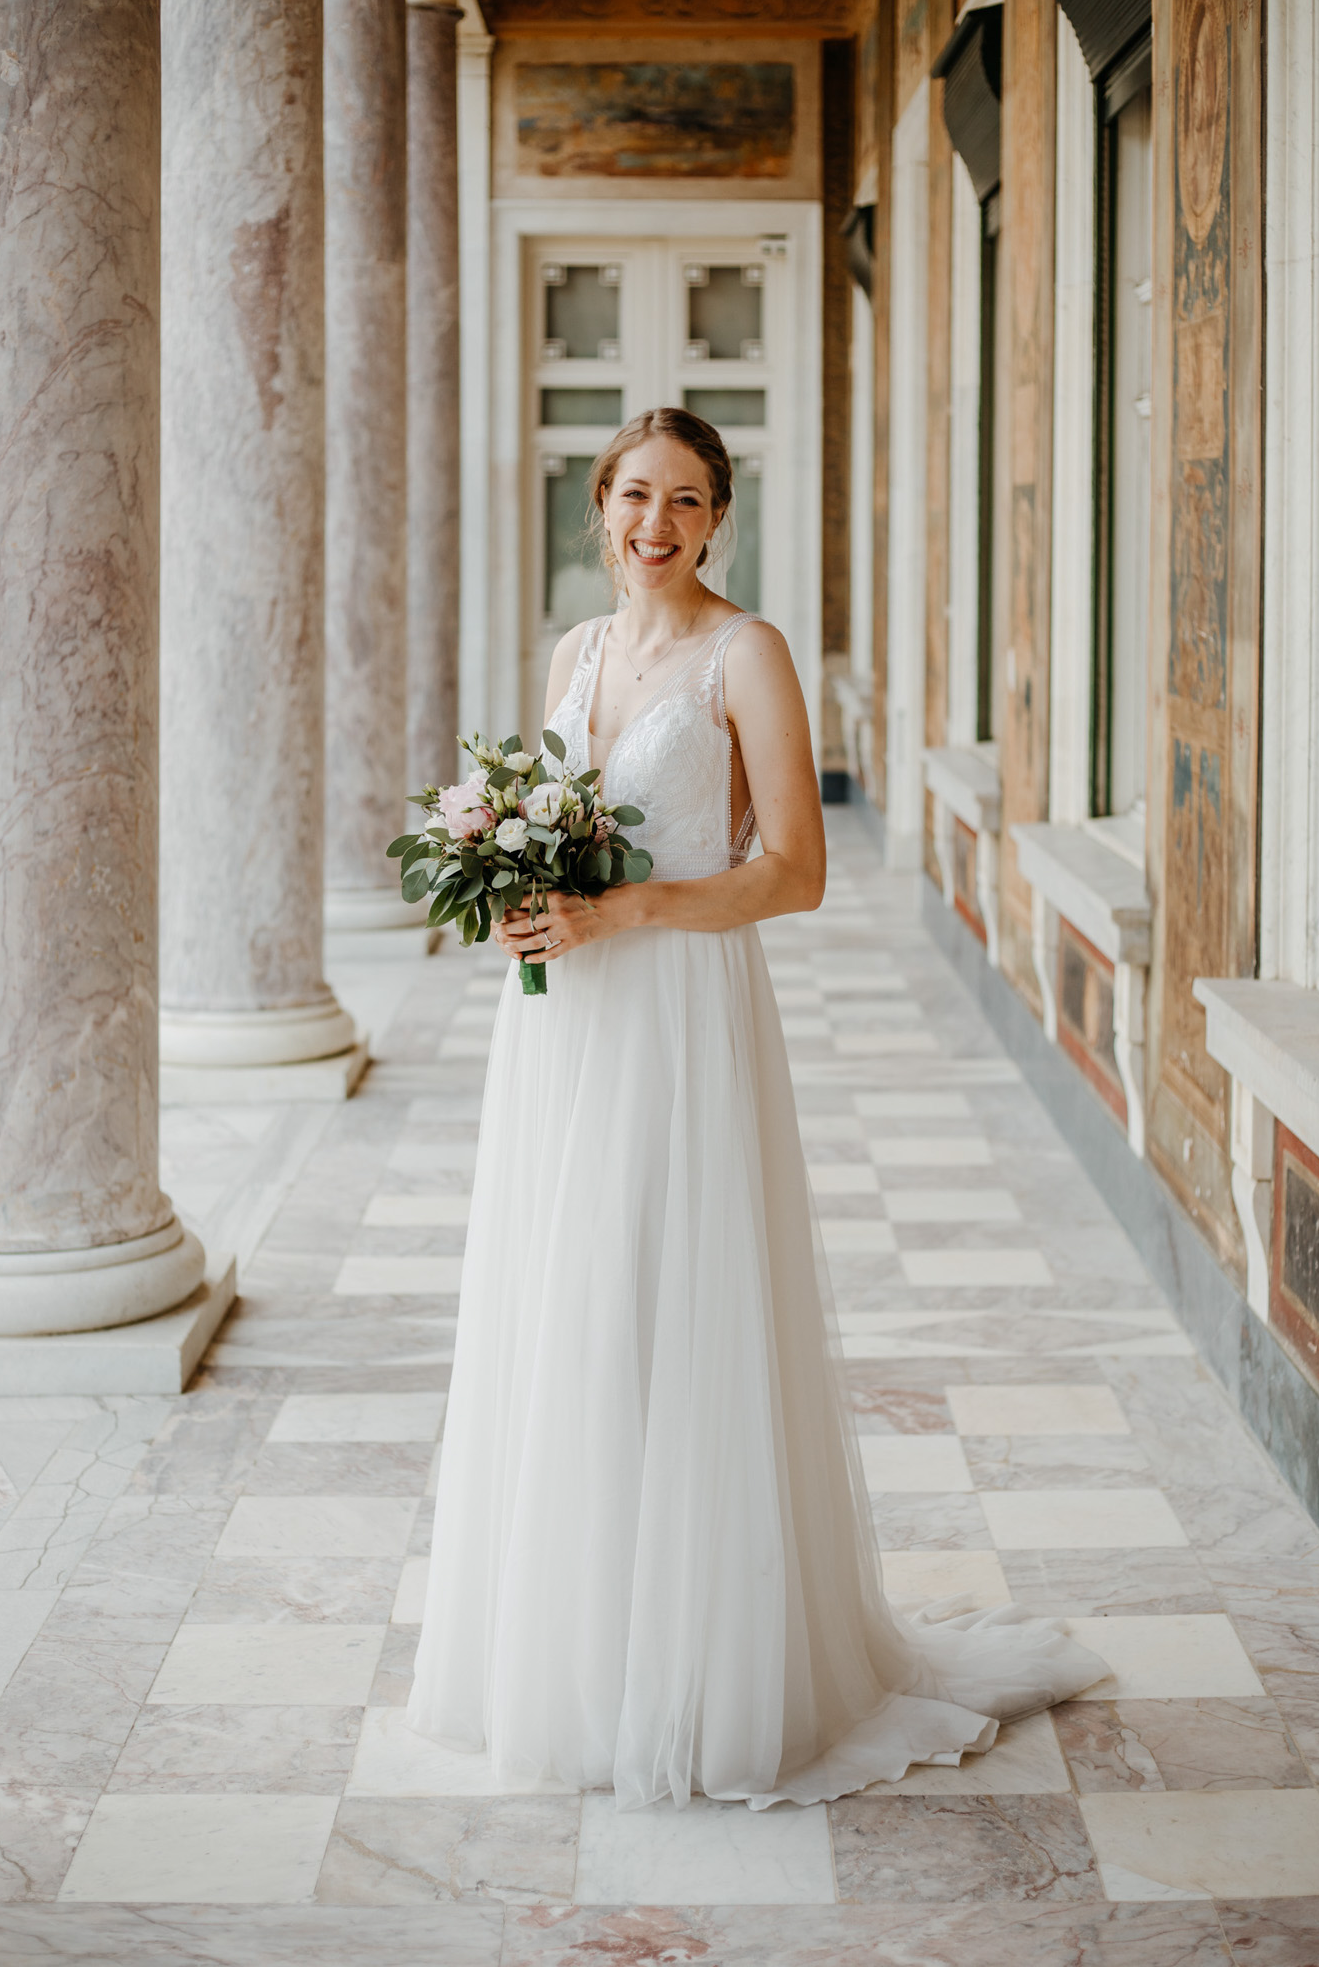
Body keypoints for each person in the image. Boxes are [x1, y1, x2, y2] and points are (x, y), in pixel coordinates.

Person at [406, 406, 1104, 1809]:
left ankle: (704, 1669)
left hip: (678, 1017)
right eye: (630, 496)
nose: (652, 523)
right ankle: (576, 1653)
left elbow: (794, 871)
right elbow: (554, 831)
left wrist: (625, 910)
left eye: (682, 499)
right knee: (568, 1313)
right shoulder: (573, 653)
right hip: (561, 1037)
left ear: (717, 517)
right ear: (597, 507)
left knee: (669, 1306)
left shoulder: (747, 653)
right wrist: (518, 909)